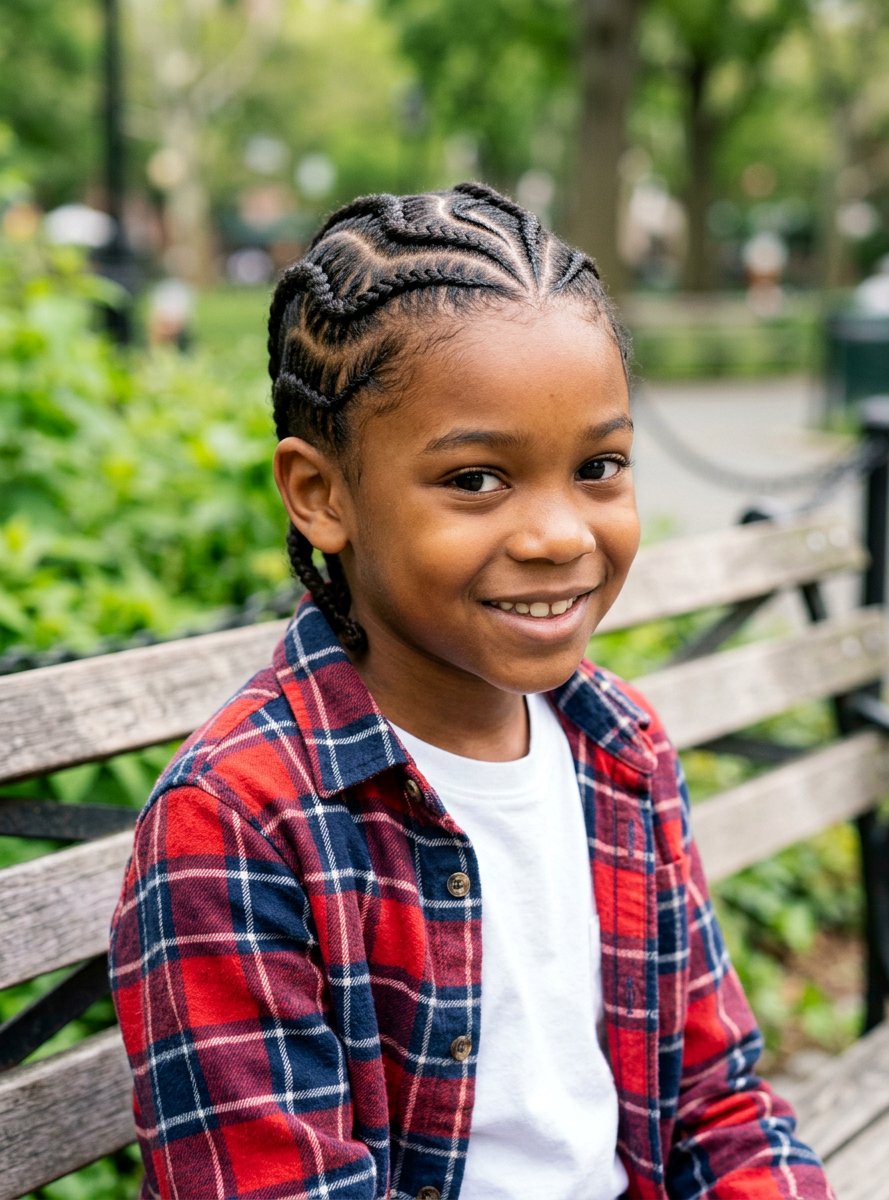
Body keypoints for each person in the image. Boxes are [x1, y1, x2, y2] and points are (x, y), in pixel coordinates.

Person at [109, 183, 833, 1200]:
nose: (557, 536)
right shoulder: (239, 824)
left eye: (598, 465)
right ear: (320, 494)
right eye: (475, 481)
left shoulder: (617, 748)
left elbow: (713, 1100)